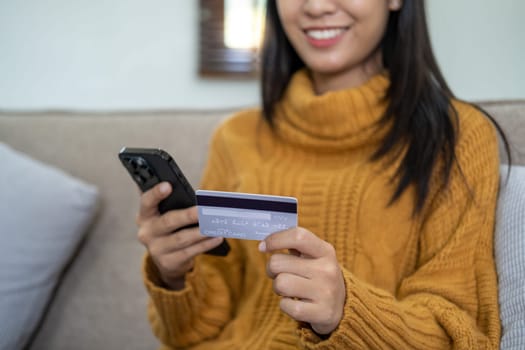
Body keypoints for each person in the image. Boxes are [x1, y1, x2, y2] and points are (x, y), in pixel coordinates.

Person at [136, 0, 508, 348]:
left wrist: (347, 310)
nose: (316, 6)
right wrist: (173, 274)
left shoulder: (458, 136)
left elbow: (461, 333)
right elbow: (189, 334)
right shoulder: (236, 137)